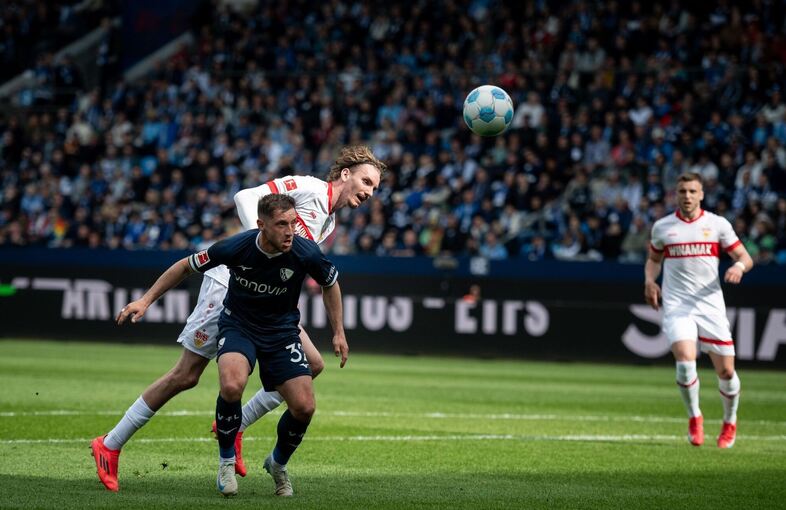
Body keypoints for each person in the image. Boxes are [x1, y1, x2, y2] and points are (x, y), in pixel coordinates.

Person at [91, 146, 385, 491]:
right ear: (346, 174)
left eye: (375, 189)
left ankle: (237, 424)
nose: (369, 192)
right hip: (227, 287)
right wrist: (258, 247)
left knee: (313, 364)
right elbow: (246, 196)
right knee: (185, 376)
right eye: (366, 181)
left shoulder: (329, 219)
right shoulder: (309, 188)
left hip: (264, 304)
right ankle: (109, 444)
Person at [115, 194, 344, 497]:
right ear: (261, 225)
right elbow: (185, 266)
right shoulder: (237, 247)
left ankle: (277, 463)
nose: (290, 231)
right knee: (232, 385)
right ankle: (225, 461)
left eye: (293, 223)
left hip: (282, 332)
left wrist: (338, 332)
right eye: (281, 224)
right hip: (239, 326)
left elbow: (330, 284)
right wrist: (145, 301)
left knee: (304, 407)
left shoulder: (305, 252)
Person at [644, 172, 753, 448]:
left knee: (726, 372)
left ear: (702, 194)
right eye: (683, 191)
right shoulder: (663, 227)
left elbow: (744, 257)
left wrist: (738, 268)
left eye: (693, 191)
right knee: (684, 359)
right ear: (676, 194)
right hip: (678, 304)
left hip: (710, 305)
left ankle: (730, 421)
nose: (688, 196)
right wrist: (649, 280)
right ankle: (695, 417)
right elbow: (653, 259)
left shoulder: (717, 224)